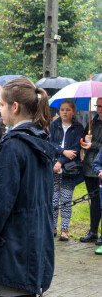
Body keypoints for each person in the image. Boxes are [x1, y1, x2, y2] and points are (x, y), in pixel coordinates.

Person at [0, 77, 55, 297]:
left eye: (0, 105)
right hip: (32, 250)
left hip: (13, 251)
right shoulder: (41, 142)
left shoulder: (13, 147)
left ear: (14, 107)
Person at [50, 100, 84, 241]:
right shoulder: (54, 125)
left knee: (65, 200)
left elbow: (76, 148)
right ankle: (52, 227)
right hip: (53, 166)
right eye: (62, 109)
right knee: (52, 200)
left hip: (70, 168)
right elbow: (49, 143)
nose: (64, 112)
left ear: (73, 112)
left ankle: (65, 229)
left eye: (68, 110)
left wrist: (62, 160)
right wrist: (62, 152)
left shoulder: (78, 128)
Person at [79, 98, 102, 244]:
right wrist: (85, 141)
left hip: (101, 167)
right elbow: (85, 142)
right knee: (93, 201)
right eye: (98, 105)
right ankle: (93, 231)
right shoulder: (92, 122)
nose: (100, 108)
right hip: (89, 167)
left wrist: (91, 144)